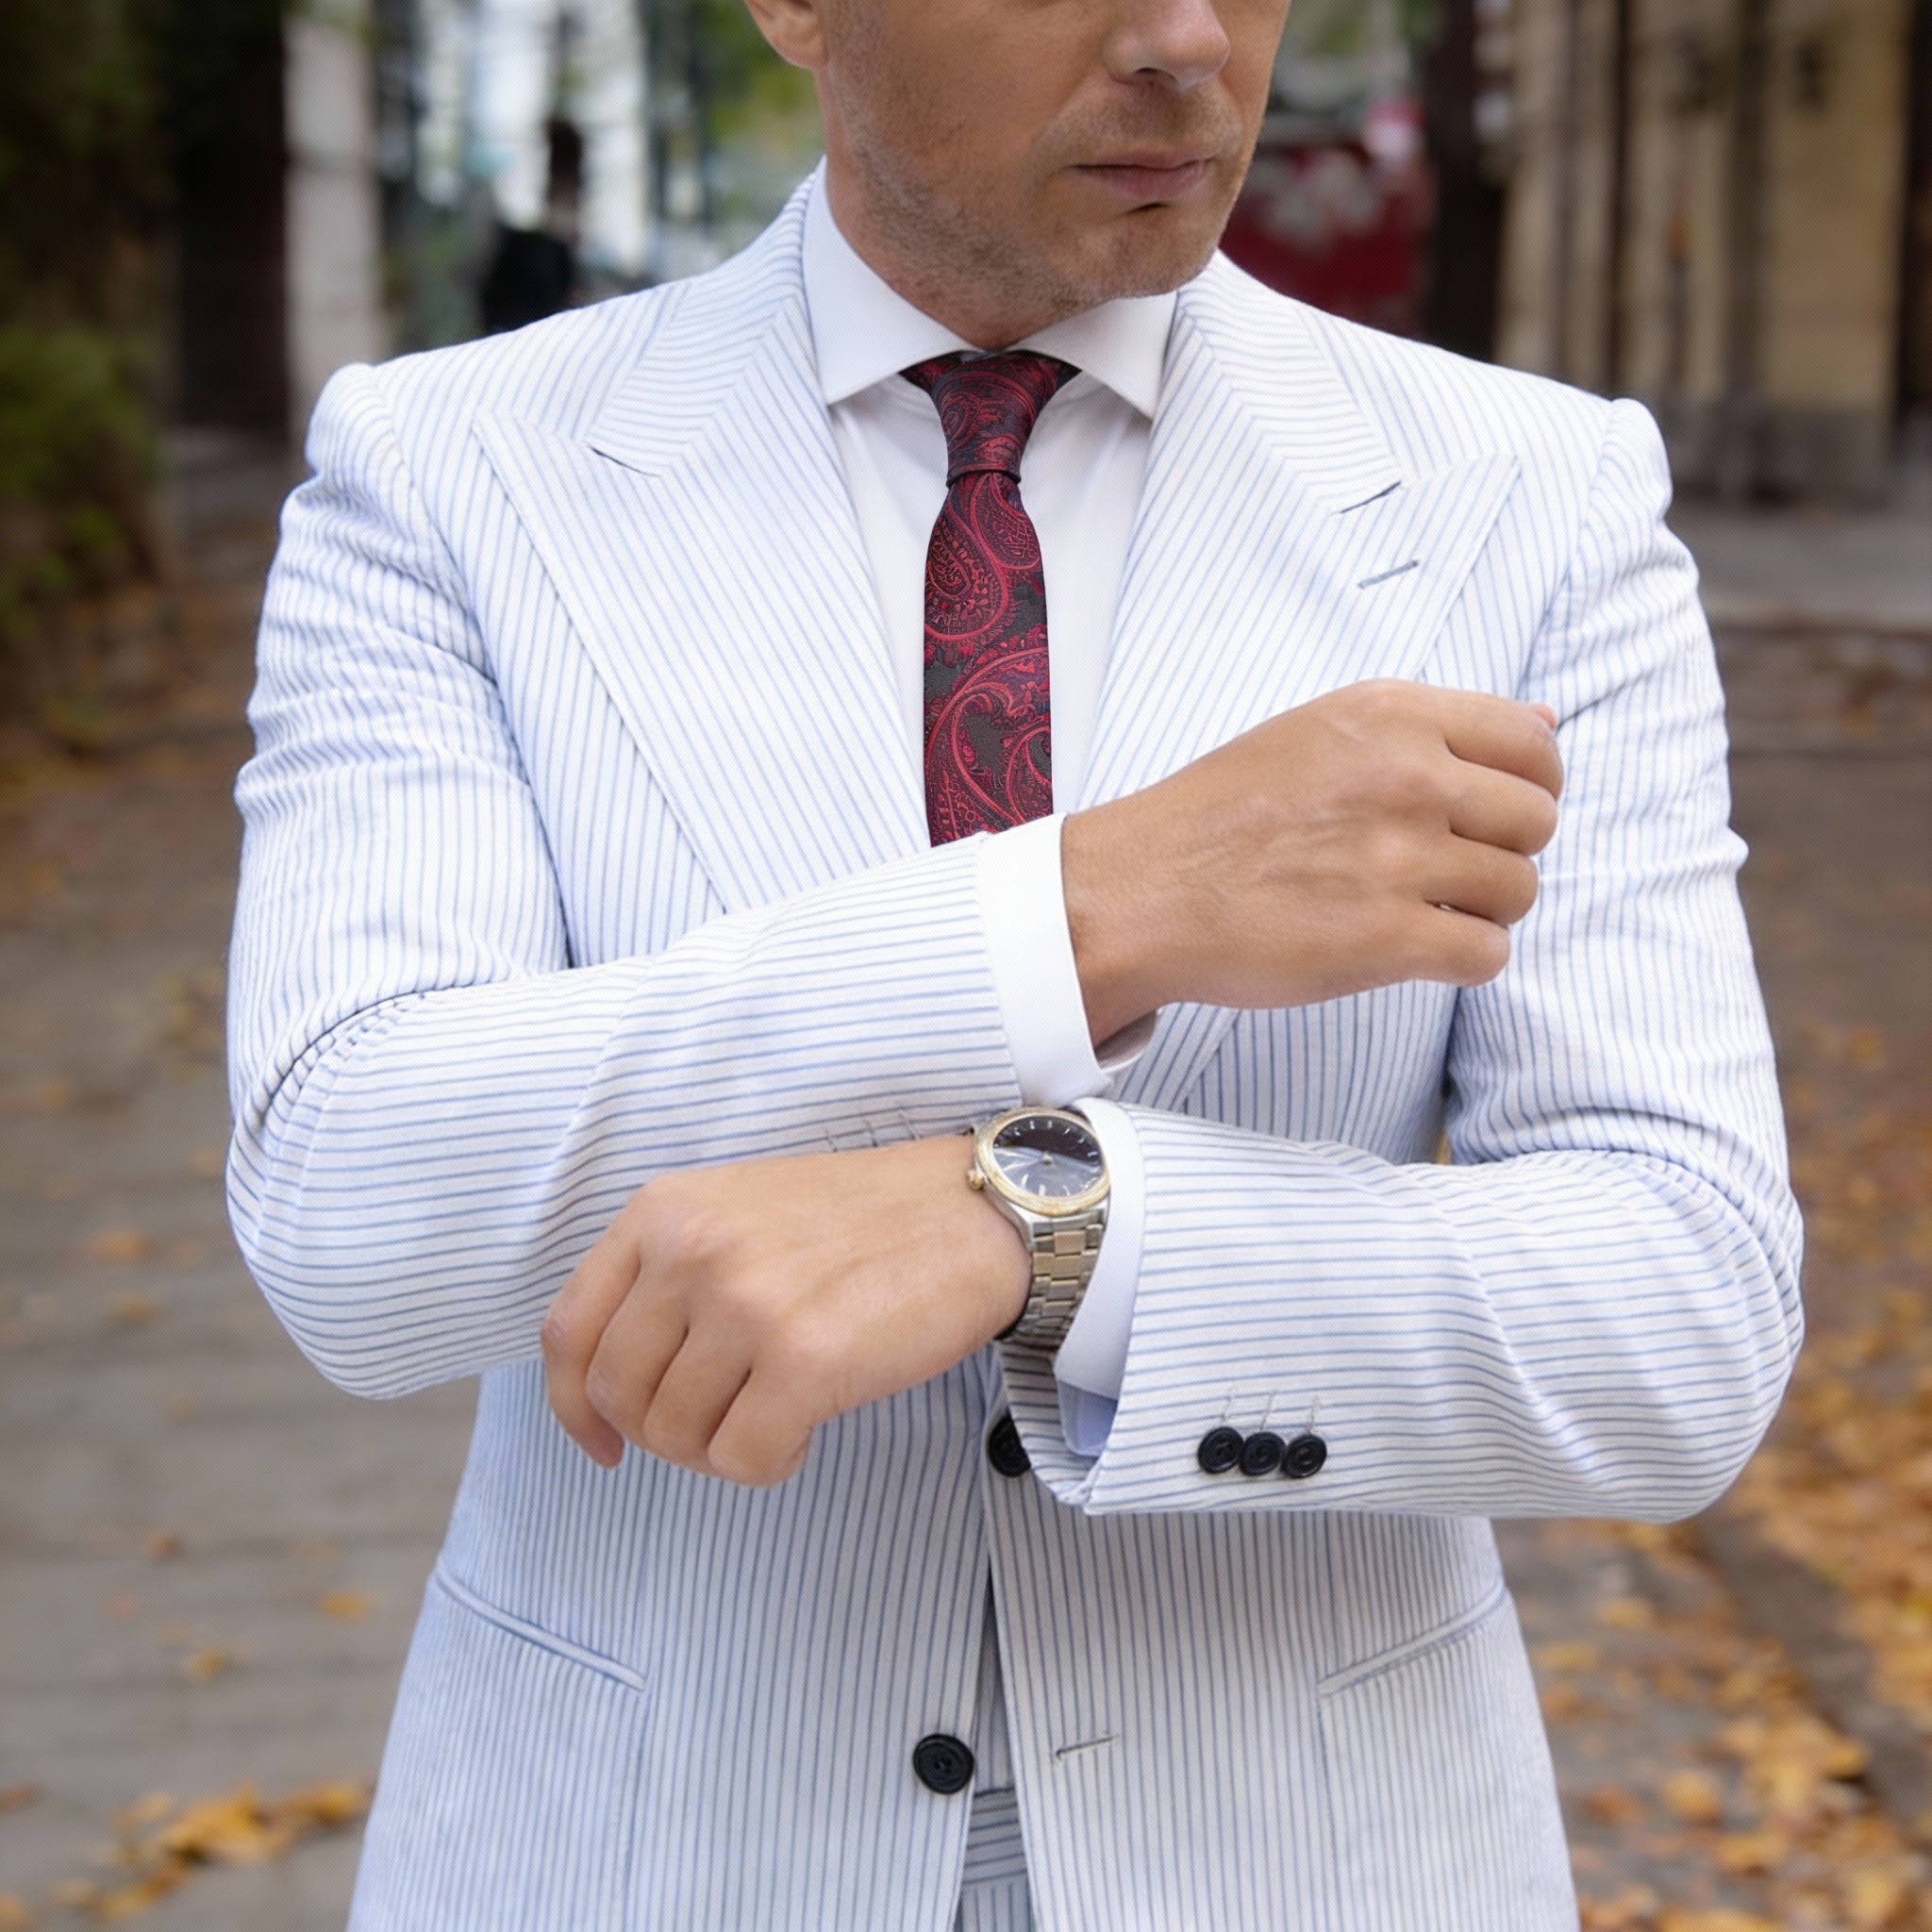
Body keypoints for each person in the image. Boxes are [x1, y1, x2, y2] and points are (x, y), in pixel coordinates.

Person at [225, 0, 1802, 1925]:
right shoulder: (453, 473)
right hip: (643, 1850)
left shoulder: (1530, 498)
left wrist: (1053, 1231)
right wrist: (1092, 910)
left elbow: (1678, 1319)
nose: (1185, 37)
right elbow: (352, 1212)